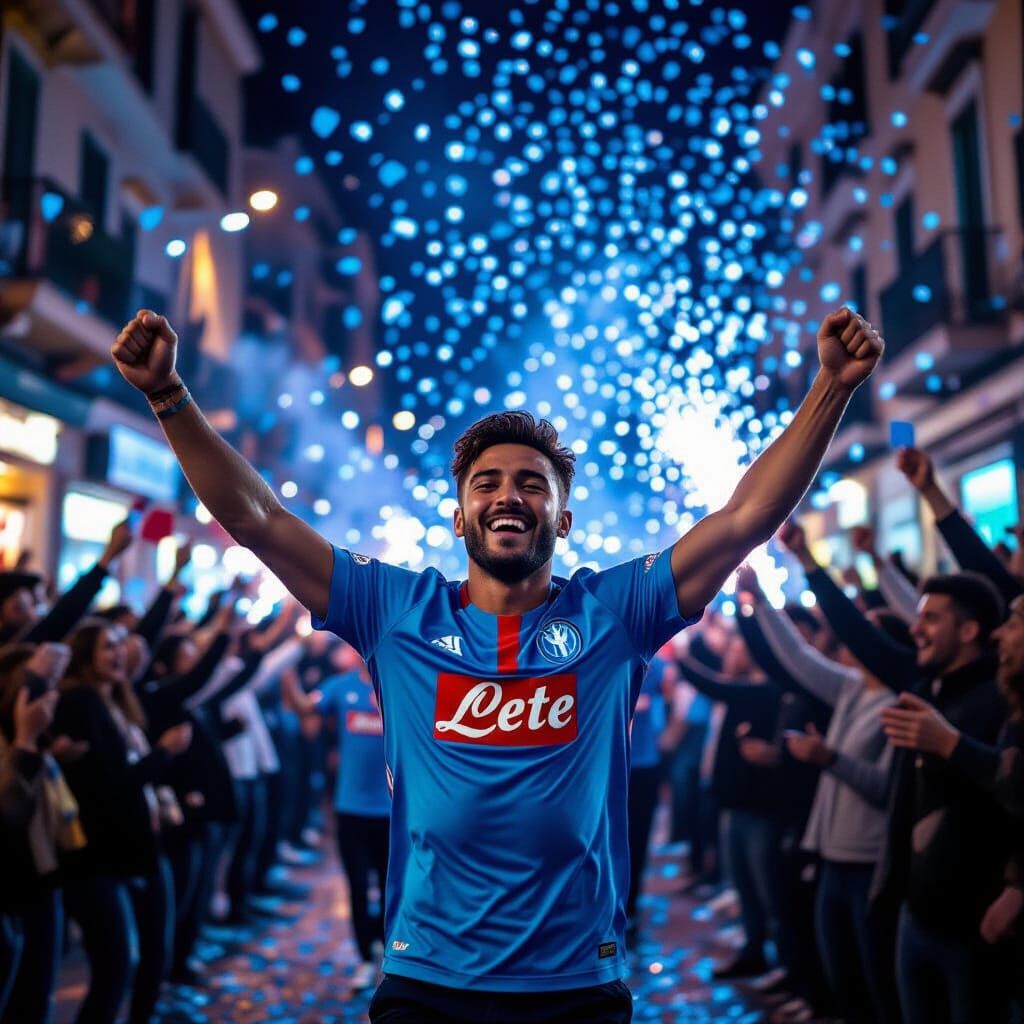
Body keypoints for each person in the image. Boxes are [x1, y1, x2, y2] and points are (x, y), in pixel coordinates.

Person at [109, 305, 882, 1020]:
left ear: (563, 516)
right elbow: (259, 518)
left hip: (578, 982)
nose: (508, 496)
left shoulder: (614, 613)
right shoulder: (395, 610)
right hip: (428, 982)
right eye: (486, 483)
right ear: (460, 513)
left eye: (531, 485)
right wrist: (169, 394)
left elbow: (746, 519)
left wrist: (830, 389)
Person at [870, 574, 1012, 1024]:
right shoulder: (928, 688)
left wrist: (950, 745)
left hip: (973, 923)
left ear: (969, 631)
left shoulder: (999, 699)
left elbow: (1010, 793)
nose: (917, 629)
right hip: (916, 910)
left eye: (931, 617)